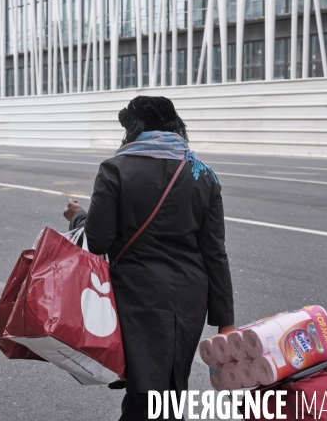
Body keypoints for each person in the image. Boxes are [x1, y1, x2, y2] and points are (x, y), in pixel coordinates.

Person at [63, 96, 235, 421]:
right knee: (166, 388)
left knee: (148, 395)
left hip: (137, 298)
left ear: (135, 128)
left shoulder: (116, 169)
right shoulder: (203, 175)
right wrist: (225, 322)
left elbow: (98, 240)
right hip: (188, 302)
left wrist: (77, 216)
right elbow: (215, 252)